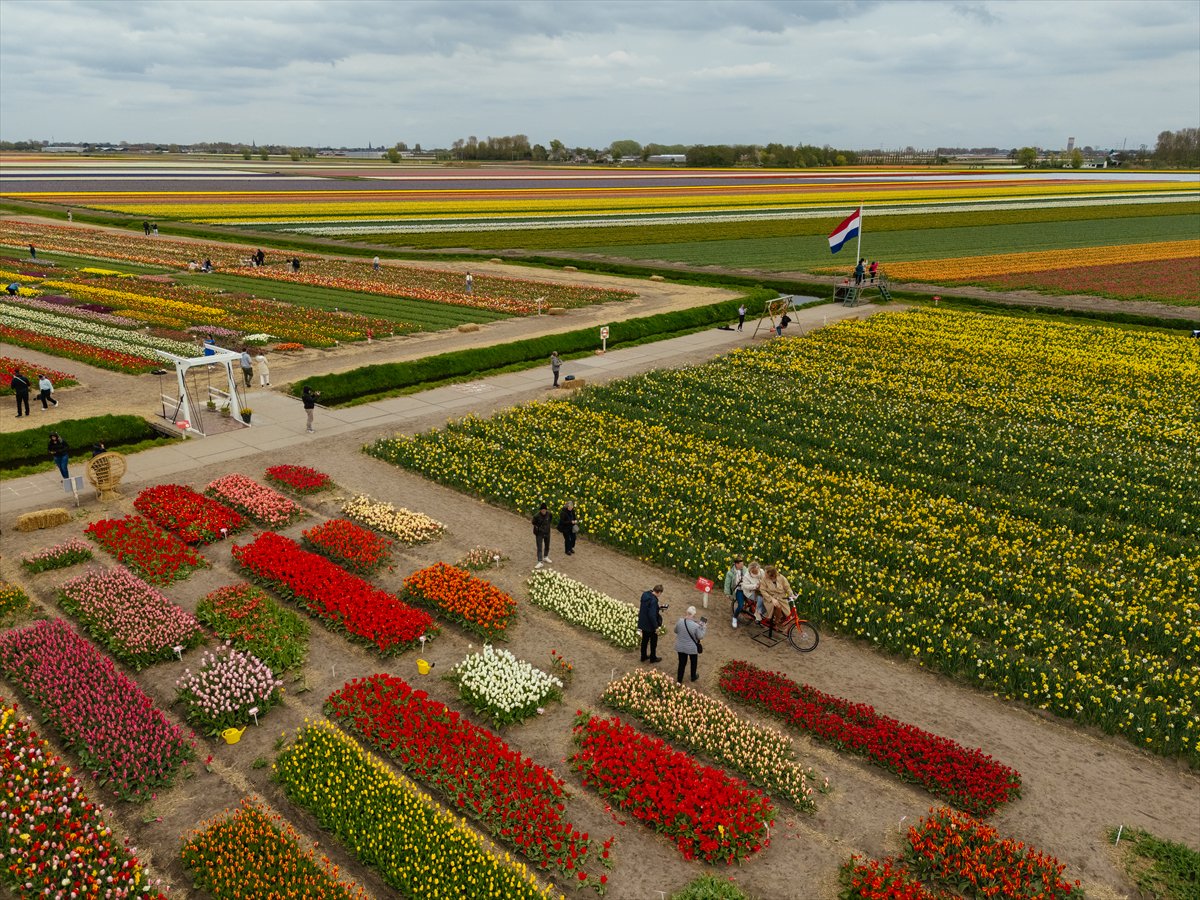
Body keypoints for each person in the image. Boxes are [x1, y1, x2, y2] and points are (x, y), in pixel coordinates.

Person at [675, 606, 707, 683]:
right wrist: (703, 627)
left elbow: (675, 630)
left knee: (681, 664)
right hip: (691, 648)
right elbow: (700, 636)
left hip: (680, 646)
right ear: (694, 614)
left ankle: (679, 680)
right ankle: (693, 676)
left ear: (687, 612)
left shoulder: (680, 621)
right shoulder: (696, 626)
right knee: (693, 662)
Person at [758, 564, 793, 629]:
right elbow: (762, 591)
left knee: (788, 615)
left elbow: (787, 587)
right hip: (770, 599)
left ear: (771, 574)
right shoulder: (764, 579)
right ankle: (776, 622)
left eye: (766, 573)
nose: (764, 574)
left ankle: (784, 625)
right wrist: (772, 599)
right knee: (778, 606)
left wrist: (790, 593)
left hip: (781, 598)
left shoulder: (781, 577)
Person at [639, 585, 665, 663]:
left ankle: (643, 656)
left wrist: (658, 607)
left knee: (644, 641)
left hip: (643, 622)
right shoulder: (653, 601)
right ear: (659, 592)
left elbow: (648, 608)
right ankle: (653, 658)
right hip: (650, 625)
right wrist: (656, 627)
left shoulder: (645, 594)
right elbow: (652, 615)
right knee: (653, 642)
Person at [724, 557, 746, 628]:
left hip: (747, 588)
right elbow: (727, 583)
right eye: (741, 564)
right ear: (736, 564)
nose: (743, 566)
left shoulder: (745, 569)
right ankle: (735, 617)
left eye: (743, 564)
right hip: (739, 589)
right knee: (740, 605)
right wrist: (727, 593)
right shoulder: (730, 573)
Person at [532, 502, 553, 568]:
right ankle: (540, 561)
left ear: (546, 510)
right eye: (542, 510)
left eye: (544, 510)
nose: (543, 511)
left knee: (547, 546)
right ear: (540, 510)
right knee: (539, 547)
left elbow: (550, 520)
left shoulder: (549, 514)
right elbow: (533, 522)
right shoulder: (536, 516)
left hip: (547, 533)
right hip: (539, 533)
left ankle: (545, 557)